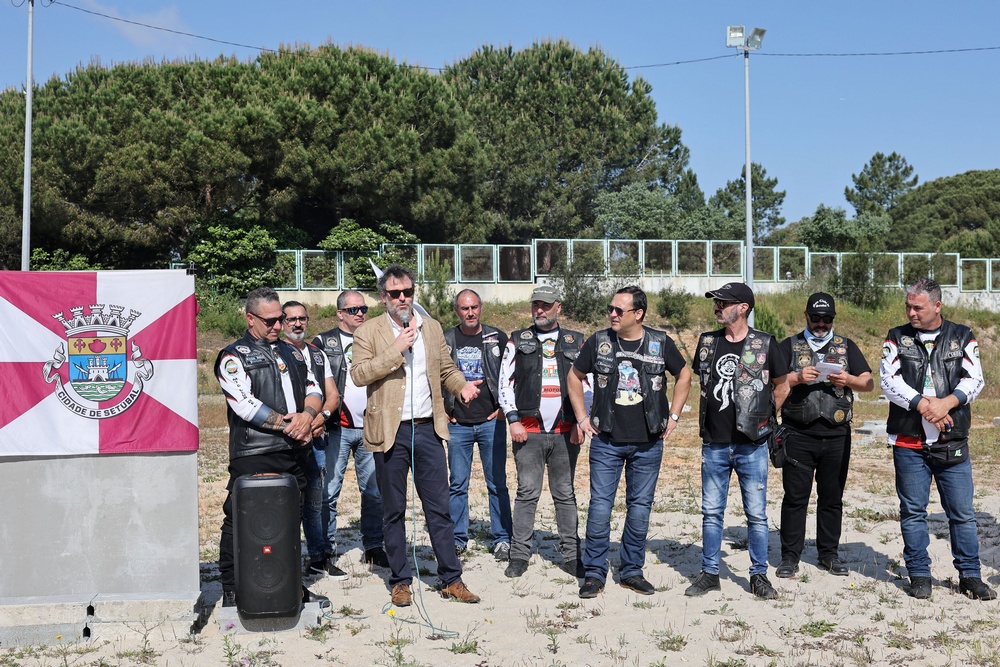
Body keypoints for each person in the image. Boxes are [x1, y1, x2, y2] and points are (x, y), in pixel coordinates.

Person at [350, 264, 483, 607]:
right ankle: (400, 581)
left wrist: (461, 386)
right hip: (390, 431)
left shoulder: (431, 327)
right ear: (383, 297)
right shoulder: (368, 331)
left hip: (428, 429)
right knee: (393, 511)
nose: (402, 298)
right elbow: (359, 374)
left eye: (407, 292)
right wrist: (395, 349)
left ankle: (451, 579)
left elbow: (446, 369)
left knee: (439, 508)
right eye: (395, 293)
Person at [568, 286, 691, 598]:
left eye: (619, 310)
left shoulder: (660, 342)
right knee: (600, 506)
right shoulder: (599, 341)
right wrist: (582, 417)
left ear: (638, 314)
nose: (612, 314)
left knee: (639, 508)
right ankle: (594, 573)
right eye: (610, 308)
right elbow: (574, 376)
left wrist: (674, 416)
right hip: (606, 441)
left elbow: (684, 375)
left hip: (648, 442)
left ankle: (632, 571)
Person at [880, 278, 995, 601]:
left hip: (951, 439)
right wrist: (923, 405)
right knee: (912, 512)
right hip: (909, 441)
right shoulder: (896, 336)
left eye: (918, 307)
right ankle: (919, 575)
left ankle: (970, 576)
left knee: (962, 513)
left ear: (937, 306)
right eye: (908, 307)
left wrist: (947, 403)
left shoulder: (962, 335)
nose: (911, 313)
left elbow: (975, 379)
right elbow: (889, 380)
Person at [214, 287, 328, 608]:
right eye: (270, 321)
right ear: (250, 319)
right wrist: (291, 425)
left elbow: (314, 387)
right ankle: (232, 588)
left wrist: (307, 416)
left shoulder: (293, 352)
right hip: (255, 452)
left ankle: (289, 585)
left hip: (295, 449)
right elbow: (245, 405)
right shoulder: (233, 356)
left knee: (289, 519)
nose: (278, 325)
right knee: (240, 519)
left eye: (281, 319)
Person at [686, 282, 789, 600]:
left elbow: (782, 385)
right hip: (714, 442)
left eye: (723, 303)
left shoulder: (764, 343)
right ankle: (709, 573)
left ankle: (759, 576)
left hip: (751, 444)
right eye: (716, 302)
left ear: (743, 307)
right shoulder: (707, 342)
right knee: (711, 512)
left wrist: (766, 417)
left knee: (756, 514)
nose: (717, 307)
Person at [776, 293, 873, 579]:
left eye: (827, 319)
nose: (821, 324)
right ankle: (790, 557)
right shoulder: (788, 346)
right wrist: (796, 378)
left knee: (831, 497)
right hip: (797, 433)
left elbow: (868, 382)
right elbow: (770, 381)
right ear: (806, 315)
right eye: (816, 318)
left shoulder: (846, 346)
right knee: (795, 498)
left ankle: (829, 554)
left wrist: (849, 380)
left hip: (836, 435)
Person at [499, 285, 585, 579]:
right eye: (536, 304)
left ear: (558, 307)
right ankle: (519, 555)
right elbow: (504, 383)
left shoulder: (577, 341)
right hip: (528, 431)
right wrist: (513, 420)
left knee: (565, 493)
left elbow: (587, 385)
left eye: (546, 305)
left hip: (566, 431)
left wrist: (580, 422)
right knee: (527, 493)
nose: (540, 310)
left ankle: (572, 555)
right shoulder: (517, 339)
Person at [312, 291, 390, 573]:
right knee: (329, 492)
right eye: (353, 309)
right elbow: (312, 383)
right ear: (339, 313)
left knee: (373, 492)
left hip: (371, 425)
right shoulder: (323, 342)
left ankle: (374, 547)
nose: (360, 314)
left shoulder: (375, 338)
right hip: (337, 428)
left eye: (363, 309)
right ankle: (325, 548)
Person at [444, 289, 514, 561]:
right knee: (457, 484)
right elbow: (434, 376)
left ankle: (502, 539)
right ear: (457, 311)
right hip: (458, 423)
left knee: (497, 483)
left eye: (474, 307)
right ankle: (457, 539)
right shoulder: (447, 339)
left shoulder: (497, 337)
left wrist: (503, 409)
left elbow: (511, 375)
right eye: (464, 308)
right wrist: (443, 409)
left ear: (481, 308)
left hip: (490, 422)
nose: (470, 312)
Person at [280, 301, 344, 579]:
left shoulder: (317, 354)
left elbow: (333, 395)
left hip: (316, 436)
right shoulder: (276, 351)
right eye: (291, 319)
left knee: (316, 501)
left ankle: (319, 557)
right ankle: (285, 559)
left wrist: (321, 418)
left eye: (302, 318)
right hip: (286, 437)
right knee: (286, 500)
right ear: (282, 323)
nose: (297, 324)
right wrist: (302, 424)